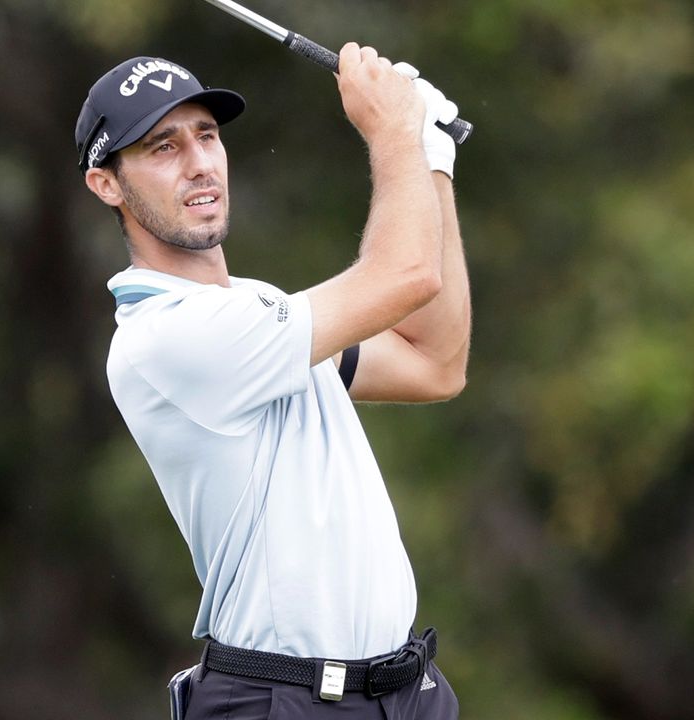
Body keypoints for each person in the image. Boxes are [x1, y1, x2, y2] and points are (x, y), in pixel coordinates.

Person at [75, 44, 470, 719]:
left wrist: (433, 161)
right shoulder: (165, 337)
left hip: (405, 694)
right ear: (108, 184)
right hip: (284, 700)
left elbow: (434, 361)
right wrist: (396, 131)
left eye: (207, 136)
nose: (200, 163)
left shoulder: (258, 308)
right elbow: (407, 275)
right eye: (162, 147)